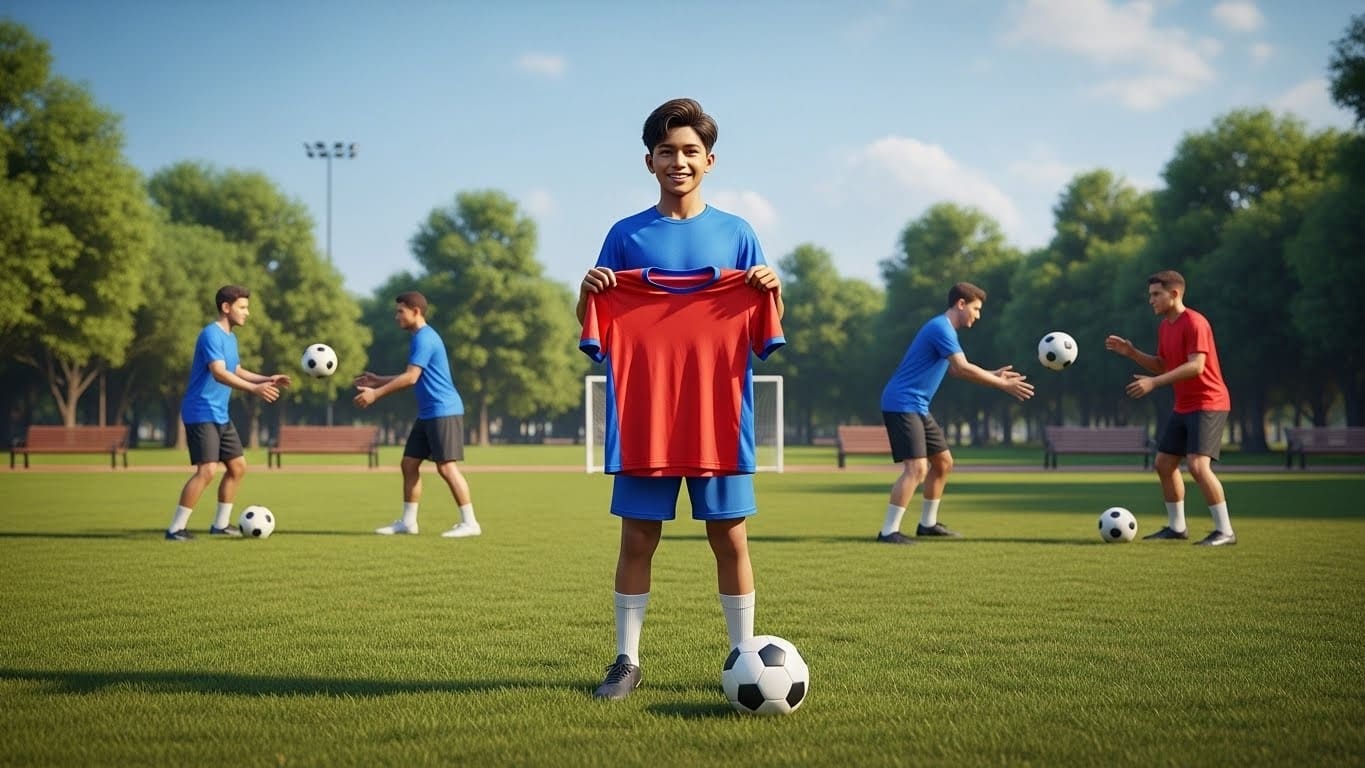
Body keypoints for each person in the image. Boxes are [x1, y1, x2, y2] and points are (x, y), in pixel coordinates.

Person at [576, 97, 784, 701]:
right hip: (645, 423)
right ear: (649, 161)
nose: (679, 161)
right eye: (667, 151)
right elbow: (591, 329)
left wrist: (773, 289)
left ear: (710, 160)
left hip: (720, 420)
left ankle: (745, 653)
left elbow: (769, 330)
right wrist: (586, 291)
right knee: (638, 537)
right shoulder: (624, 236)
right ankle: (625, 660)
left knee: (731, 537)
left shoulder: (739, 235)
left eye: (690, 151)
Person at [876, 282, 1035, 544]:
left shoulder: (945, 330)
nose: (978, 315)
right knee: (916, 469)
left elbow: (954, 369)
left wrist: (992, 375)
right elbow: (961, 368)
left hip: (918, 406)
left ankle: (927, 525)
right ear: (961, 304)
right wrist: (1003, 384)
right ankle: (888, 532)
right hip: (902, 403)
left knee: (944, 463)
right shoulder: (941, 327)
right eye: (976, 308)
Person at [1104, 270, 1236, 546]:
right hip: (1185, 404)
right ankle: (1177, 528)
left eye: (1155, 294)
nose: (1150, 300)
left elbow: (1196, 366)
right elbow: (1165, 364)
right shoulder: (1166, 326)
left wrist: (1155, 383)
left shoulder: (1195, 322)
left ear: (1174, 294)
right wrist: (1132, 353)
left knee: (1198, 466)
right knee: (1164, 463)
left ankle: (1225, 531)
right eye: (1150, 295)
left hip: (1209, 402)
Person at [166, 285, 291, 541]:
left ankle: (220, 524)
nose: (248, 313)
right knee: (207, 470)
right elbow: (219, 372)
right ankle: (175, 528)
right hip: (201, 410)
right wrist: (254, 389)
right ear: (226, 307)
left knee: (237, 467)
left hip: (220, 413)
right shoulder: (210, 334)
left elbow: (236, 369)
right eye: (243, 307)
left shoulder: (230, 338)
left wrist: (267, 378)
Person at [354, 291, 480, 539]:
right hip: (428, 414)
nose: (396, 316)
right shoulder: (419, 338)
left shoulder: (425, 338)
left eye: (400, 311)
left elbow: (411, 378)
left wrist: (376, 393)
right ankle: (408, 523)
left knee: (446, 468)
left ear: (416, 311)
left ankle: (470, 523)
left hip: (443, 410)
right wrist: (380, 379)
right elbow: (414, 374)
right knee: (409, 464)